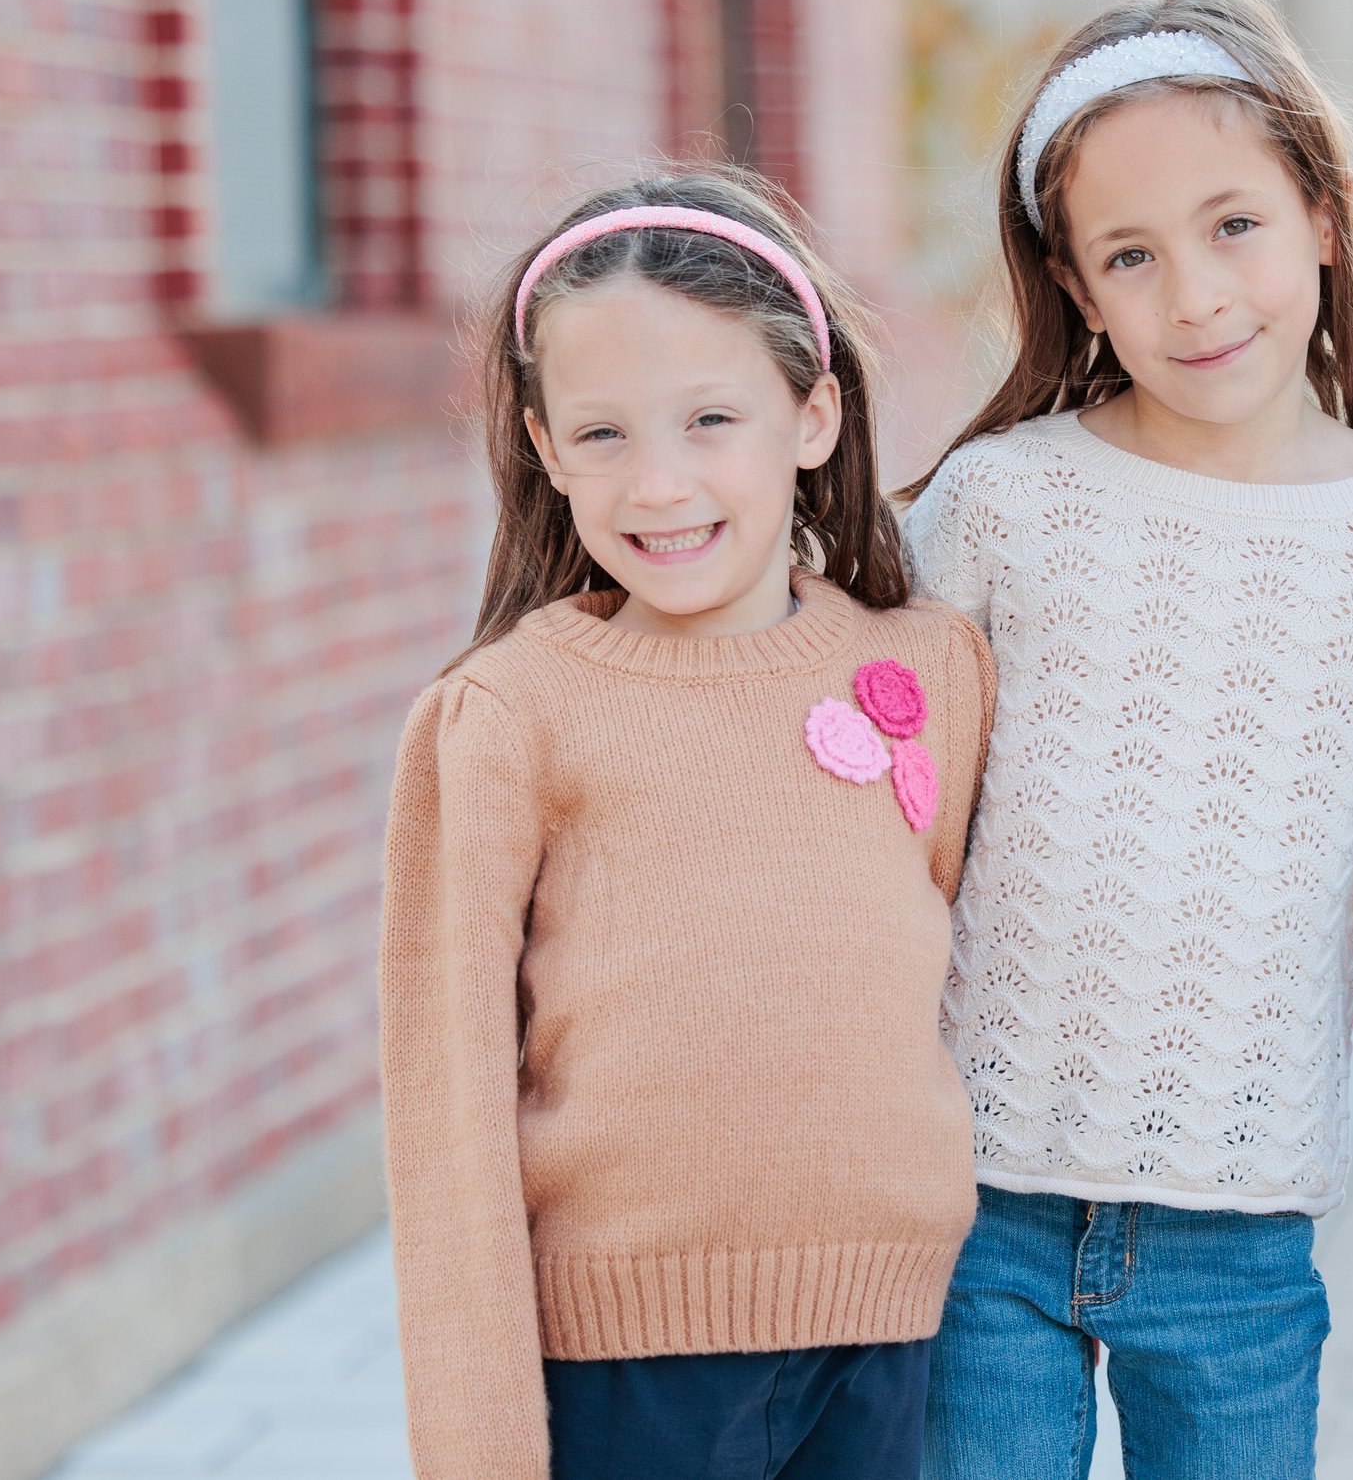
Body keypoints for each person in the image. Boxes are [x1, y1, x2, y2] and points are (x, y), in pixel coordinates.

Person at [902, 0, 1353, 1479]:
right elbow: (896, 819)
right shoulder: (1001, 503)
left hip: (1239, 1221)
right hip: (973, 1201)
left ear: (1318, 210)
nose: (1197, 295)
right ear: (1077, 285)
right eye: (1132, 254)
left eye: (1233, 225)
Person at [378, 167, 993, 1480]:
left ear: (812, 415)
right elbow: (448, 1123)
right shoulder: (506, 715)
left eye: (710, 417)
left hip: (889, 1345)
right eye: (602, 435)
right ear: (543, 449)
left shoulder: (931, 669)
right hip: (622, 1384)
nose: (659, 485)